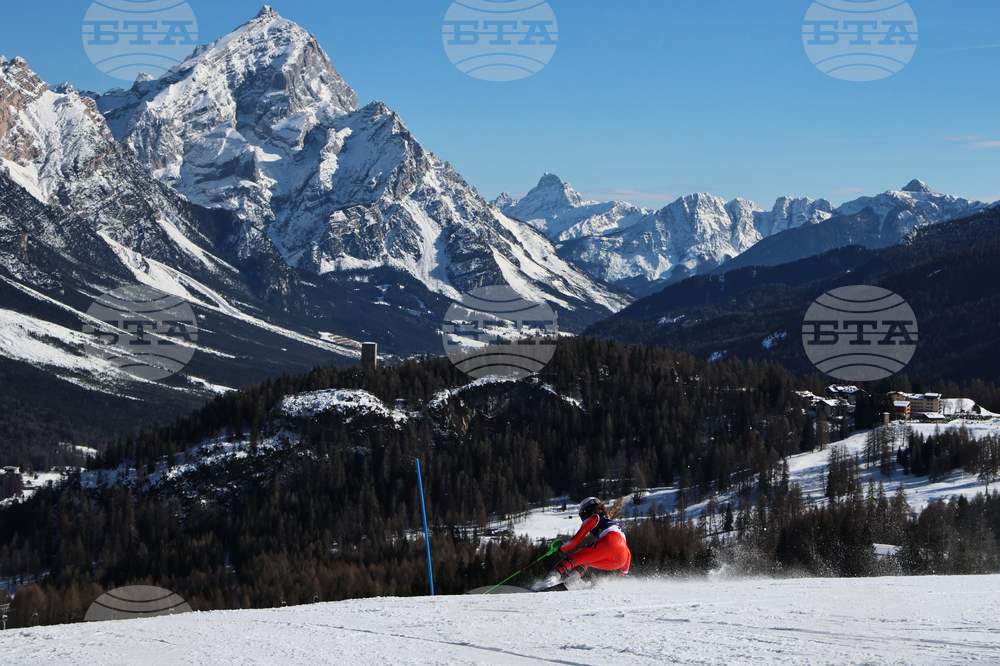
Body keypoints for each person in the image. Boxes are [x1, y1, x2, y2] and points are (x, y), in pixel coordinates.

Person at [554, 497, 631, 579]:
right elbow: (628, 553)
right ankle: (573, 580)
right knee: (586, 560)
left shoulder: (594, 518)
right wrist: (624, 572)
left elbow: (574, 541)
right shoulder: (614, 524)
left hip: (610, 541)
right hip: (621, 559)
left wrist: (561, 548)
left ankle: (551, 578)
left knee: (573, 558)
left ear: (585, 511)